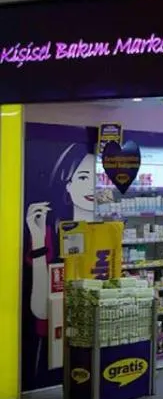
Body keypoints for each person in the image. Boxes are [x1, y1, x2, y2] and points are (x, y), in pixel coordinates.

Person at [26, 144, 96, 373]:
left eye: (97, 177)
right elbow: (41, 310)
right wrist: (37, 239)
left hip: (92, 333)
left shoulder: (106, 232)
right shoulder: (47, 233)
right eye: (83, 177)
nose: (92, 186)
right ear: (68, 184)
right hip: (51, 346)